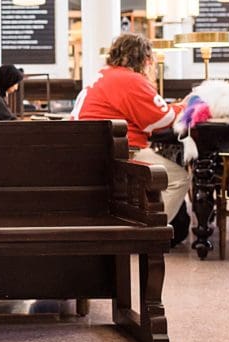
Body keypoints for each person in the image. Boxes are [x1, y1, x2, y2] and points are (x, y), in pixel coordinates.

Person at [71, 33, 187, 221]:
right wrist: (186, 105)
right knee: (178, 178)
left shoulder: (105, 75)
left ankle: (144, 219)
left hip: (91, 152)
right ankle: (152, 231)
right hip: (117, 155)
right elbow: (161, 119)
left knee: (160, 171)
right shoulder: (129, 79)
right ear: (146, 59)